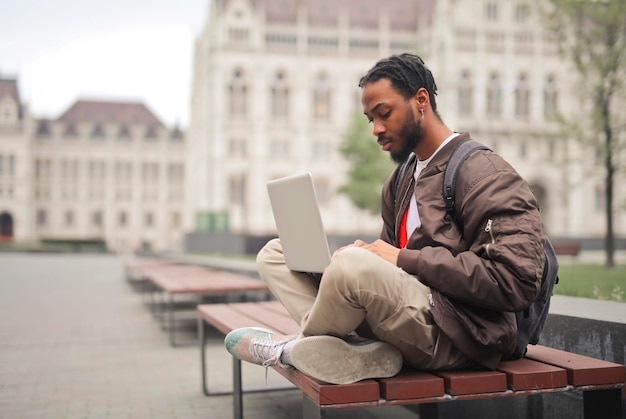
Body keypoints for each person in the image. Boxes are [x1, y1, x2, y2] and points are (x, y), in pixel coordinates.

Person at [225, 53, 546, 385]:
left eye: (384, 113)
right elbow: (392, 268)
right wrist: (370, 256)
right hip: (408, 317)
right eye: (370, 119)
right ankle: (351, 350)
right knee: (276, 254)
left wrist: (402, 259)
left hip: (462, 337)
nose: (377, 129)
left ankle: (290, 349)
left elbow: (515, 282)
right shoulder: (401, 179)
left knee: (351, 266)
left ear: (421, 100)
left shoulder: (485, 174)